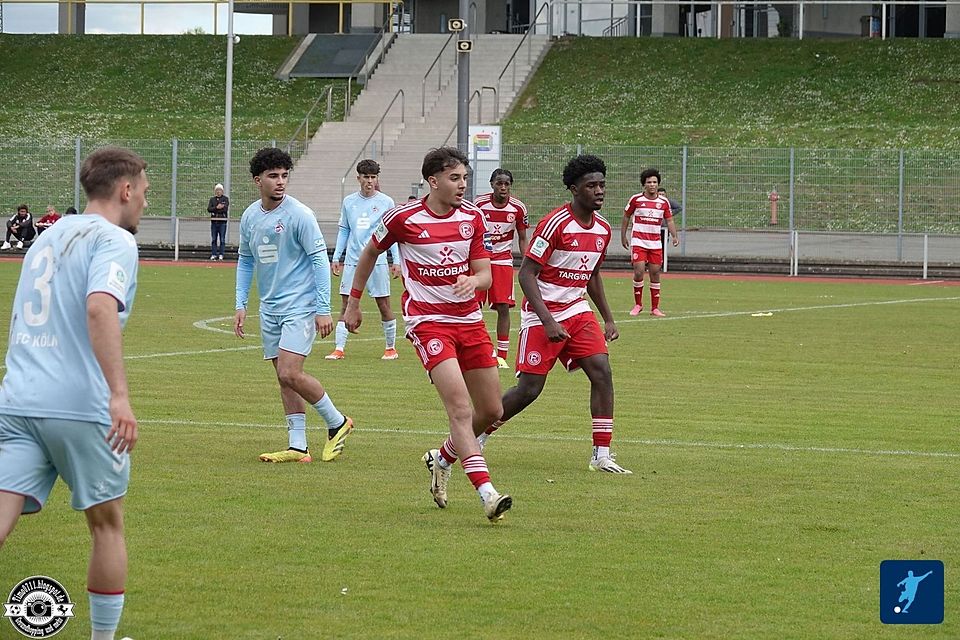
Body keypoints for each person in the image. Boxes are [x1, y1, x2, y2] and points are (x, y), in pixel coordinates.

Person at [0, 146, 148, 640]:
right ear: (125, 190)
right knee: (107, 525)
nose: (145, 203)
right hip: (79, 405)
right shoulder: (116, 241)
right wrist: (119, 395)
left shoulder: (47, 236)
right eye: (145, 192)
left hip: (18, 398)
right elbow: (100, 308)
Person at [343, 147, 512, 522]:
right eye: (455, 178)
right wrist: (353, 302)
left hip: (469, 322)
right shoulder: (403, 217)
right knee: (461, 409)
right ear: (432, 181)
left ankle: (442, 458)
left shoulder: (473, 218)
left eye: (465, 179)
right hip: (428, 322)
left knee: (492, 410)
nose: (462, 185)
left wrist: (474, 280)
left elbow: (485, 272)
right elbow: (369, 253)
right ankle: (487, 493)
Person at [476, 154, 633, 474]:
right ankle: (478, 431)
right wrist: (547, 319)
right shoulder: (555, 223)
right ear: (574, 189)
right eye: (592, 186)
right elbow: (526, 274)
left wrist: (608, 317)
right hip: (542, 312)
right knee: (530, 389)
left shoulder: (602, 229)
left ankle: (601, 454)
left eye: (602, 185)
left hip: (577, 310)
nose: (600, 191)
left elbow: (592, 275)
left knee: (601, 371)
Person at [235, 147, 353, 464]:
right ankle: (298, 446)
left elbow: (318, 259)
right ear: (257, 180)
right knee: (283, 377)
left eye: (285, 175)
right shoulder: (249, 217)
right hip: (269, 308)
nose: (280, 182)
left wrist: (323, 308)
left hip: (299, 306)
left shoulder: (299, 215)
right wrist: (241, 303)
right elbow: (246, 260)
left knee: (290, 371)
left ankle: (338, 422)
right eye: (273, 176)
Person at [327, 159, 401, 361]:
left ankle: (390, 348)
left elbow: (391, 233)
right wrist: (336, 257)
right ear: (358, 178)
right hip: (352, 261)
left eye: (373, 177)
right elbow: (344, 230)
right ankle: (339, 349)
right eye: (366, 177)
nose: (369, 181)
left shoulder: (386, 202)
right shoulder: (349, 202)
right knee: (346, 303)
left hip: (376, 262)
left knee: (383, 304)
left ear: (377, 179)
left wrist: (396, 260)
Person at [473, 168, 529, 369]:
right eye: (499, 183)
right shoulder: (479, 204)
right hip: (480, 260)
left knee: (503, 306)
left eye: (506, 183)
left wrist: (527, 263)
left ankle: (502, 355)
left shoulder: (518, 208)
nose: (503, 187)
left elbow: (523, 238)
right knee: (474, 306)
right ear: (492, 184)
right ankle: (480, 350)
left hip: (503, 261)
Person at [621, 168, 679, 317]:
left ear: (658, 184)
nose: (652, 185)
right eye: (649, 182)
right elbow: (626, 216)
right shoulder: (636, 200)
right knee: (639, 272)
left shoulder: (663, 202)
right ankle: (638, 304)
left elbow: (670, 220)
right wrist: (623, 236)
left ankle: (655, 308)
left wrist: (674, 236)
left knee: (655, 273)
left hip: (655, 243)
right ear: (644, 184)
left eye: (655, 182)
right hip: (639, 241)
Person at [208, 183, 229, 261]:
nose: (218, 192)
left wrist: (217, 209)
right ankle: (214, 254)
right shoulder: (212, 199)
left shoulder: (225, 199)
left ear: (222, 191)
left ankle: (221, 254)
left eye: (220, 190)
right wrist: (217, 208)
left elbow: (225, 209)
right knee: (214, 239)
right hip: (214, 222)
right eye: (217, 190)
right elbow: (209, 209)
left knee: (222, 239)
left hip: (222, 222)